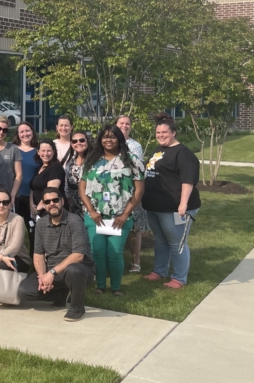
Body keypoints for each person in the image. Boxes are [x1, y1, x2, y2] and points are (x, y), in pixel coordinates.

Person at [79, 125, 145, 296]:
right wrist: (91, 211)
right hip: (95, 217)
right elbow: (82, 188)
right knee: (98, 252)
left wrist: (125, 214)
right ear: (100, 139)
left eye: (112, 136)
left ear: (119, 139)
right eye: (105, 136)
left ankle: (116, 287)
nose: (108, 140)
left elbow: (138, 191)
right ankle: (100, 286)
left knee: (114, 253)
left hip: (119, 217)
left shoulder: (132, 160)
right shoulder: (91, 160)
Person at [142, 115, 201, 289]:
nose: (161, 135)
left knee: (176, 243)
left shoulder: (183, 154)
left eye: (165, 132)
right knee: (160, 240)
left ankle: (179, 278)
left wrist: (183, 204)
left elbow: (188, 180)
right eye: (158, 132)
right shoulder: (158, 150)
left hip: (174, 208)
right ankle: (159, 271)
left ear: (173, 133)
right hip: (154, 206)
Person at [18, 188, 95, 321]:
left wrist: (51, 273)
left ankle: (77, 307)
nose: (52, 204)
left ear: (62, 201)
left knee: (73, 270)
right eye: (47, 202)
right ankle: (61, 293)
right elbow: (38, 254)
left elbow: (78, 256)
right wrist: (42, 277)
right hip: (52, 270)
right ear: (44, 205)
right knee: (24, 292)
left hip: (80, 269)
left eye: (55, 200)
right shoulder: (41, 223)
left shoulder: (74, 221)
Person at [117, 114, 148, 273]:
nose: (124, 126)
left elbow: (135, 167)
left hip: (132, 190)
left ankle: (136, 261)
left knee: (136, 228)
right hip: (114, 193)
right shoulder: (109, 143)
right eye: (121, 123)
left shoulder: (135, 146)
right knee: (120, 225)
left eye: (127, 123)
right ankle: (119, 258)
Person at [13, 121, 40, 233]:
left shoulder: (39, 151)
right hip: (15, 196)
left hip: (33, 197)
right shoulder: (13, 150)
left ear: (32, 132)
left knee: (33, 230)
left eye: (27, 131)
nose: (25, 134)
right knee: (14, 231)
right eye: (22, 132)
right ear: (18, 134)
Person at [30, 139, 66, 219]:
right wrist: (32, 205)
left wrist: (38, 209)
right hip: (39, 211)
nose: (45, 154)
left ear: (53, 152)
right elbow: (33, 188)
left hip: (50, 210)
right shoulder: (39, 168)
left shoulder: (56, 167)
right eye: (43, 151)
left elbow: (50, 192)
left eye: (49, 151)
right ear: (38, 152)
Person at [65, 131, 90, 215]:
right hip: (75, 206)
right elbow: (67, 187)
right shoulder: (70, 162)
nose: (78, 143)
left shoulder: (95, 160)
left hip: (92, 205)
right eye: (74, 141)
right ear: (71, 144)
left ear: (87, 141)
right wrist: (70, 205)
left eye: (81, 140)